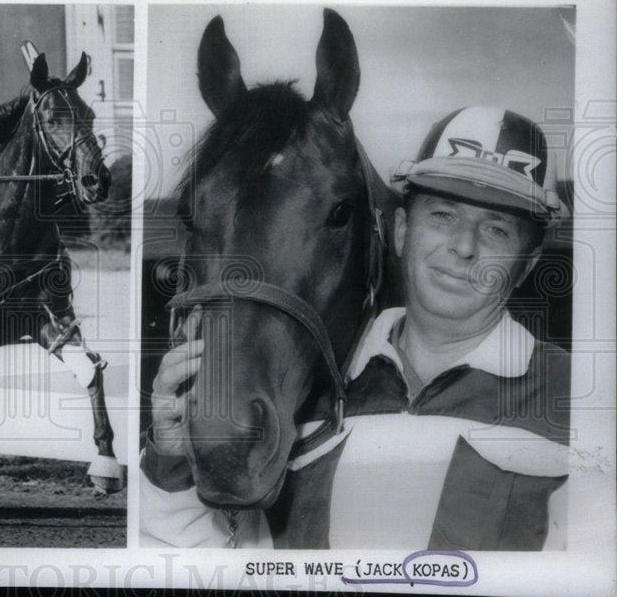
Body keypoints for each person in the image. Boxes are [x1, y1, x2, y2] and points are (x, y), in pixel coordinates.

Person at [141, 107, 572, 550]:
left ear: (526, 266)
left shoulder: (581, 398)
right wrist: (172, 461)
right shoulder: (302, 390)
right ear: (402, 231)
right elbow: (210, 567)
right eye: (443, 215)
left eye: (497, 230)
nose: (464, 246)